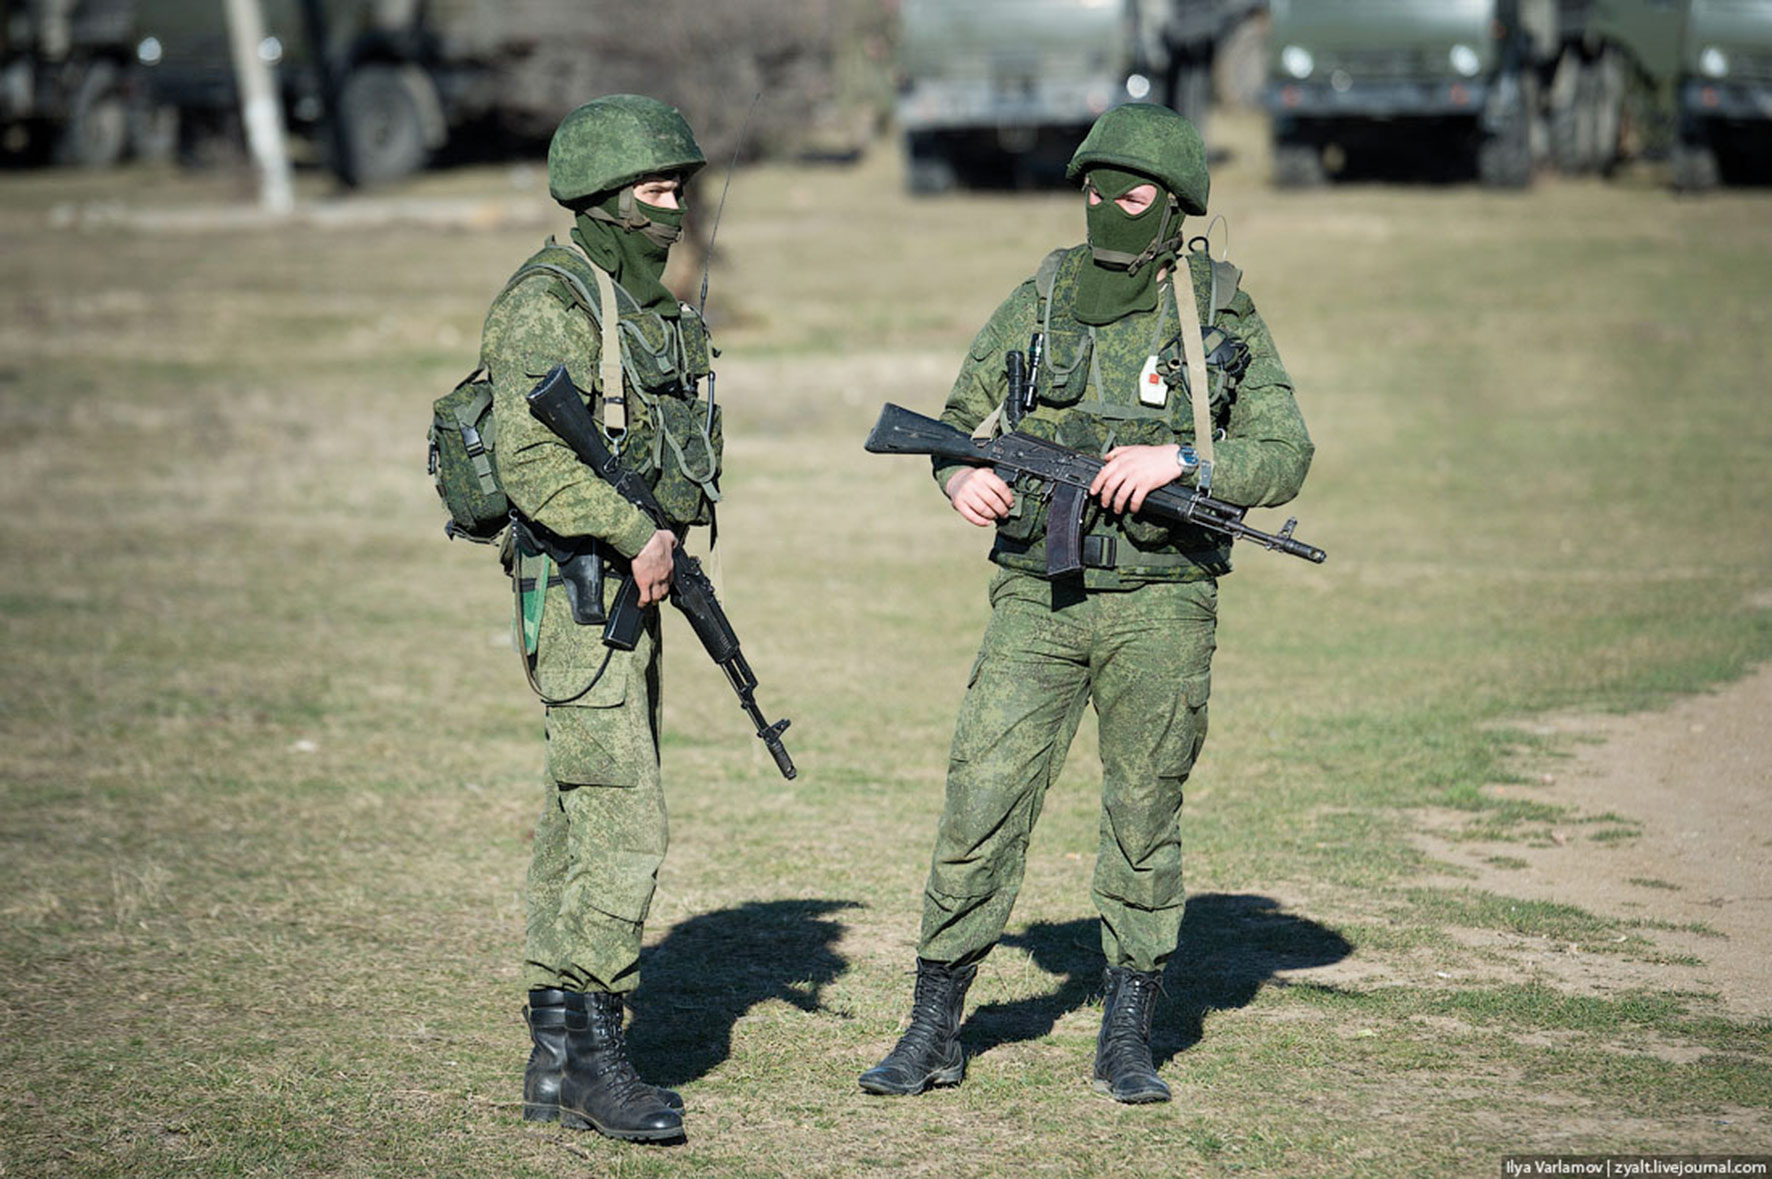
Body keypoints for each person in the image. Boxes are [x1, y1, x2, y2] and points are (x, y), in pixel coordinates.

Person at [858, 103, 1313, 1105]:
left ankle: (1125, 1035)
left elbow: (1286, 454)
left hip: (1162, 600)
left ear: (1176, 204)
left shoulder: (1216, 311)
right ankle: (933, 1026)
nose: (1107, 204)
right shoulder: (1045, 293)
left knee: (1142, 815)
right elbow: (951, 417)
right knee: (981, 797)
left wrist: (1184, 457)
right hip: (1037, 595)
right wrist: (952, 477)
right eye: (1093, 185)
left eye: (1132, 190)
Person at [479, 94, 724, 1143]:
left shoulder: (635, 305)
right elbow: (529, 454)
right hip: (582, 594)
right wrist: (632, 532)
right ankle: (595, 1059)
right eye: (656, 192)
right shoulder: (549, 303)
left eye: (677, 190)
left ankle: (555, 1061)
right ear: (604, 196)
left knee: (580, 815)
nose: (672, 212)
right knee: (624, 816)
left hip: (625, 587)